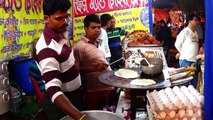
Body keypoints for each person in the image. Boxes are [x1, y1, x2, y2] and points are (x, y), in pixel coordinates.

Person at [35, 0, 86, 120]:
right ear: (46, 18)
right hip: (61, 104)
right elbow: (53, 90)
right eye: (59, 18)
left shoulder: (60, 31)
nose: (65, 22)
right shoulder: (47, 49)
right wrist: (81, 117)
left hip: (74, 96)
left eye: (66, 17)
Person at [73, 14, 114, 110]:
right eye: (93, 27)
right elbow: (75, 70)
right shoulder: (79, 47)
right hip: (93, 91)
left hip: (107, 88)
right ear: (85, 28)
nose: (97, 30)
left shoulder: (98, 42)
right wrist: (93, 68)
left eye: (99, 27)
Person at [175, 13, 199, 87]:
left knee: (194, 84)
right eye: (195, 20)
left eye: (197, 20)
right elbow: (177, 44)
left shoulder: (195, 32)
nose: (197, 22)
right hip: (185, 61)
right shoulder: (185, 31)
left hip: (194, 61)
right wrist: (182, 53)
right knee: (185, 84)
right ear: (190, 21)